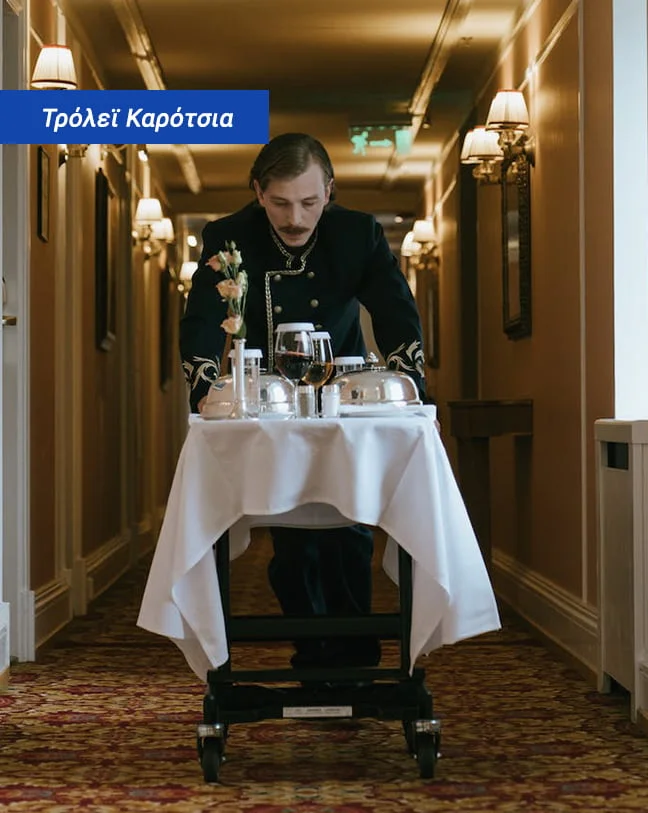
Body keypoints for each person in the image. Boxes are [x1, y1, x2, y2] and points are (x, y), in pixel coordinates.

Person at [180, 132, 428, 671]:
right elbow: (202, 320)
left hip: (342, 401)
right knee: (291, 536)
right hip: (270, 406)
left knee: (350, 529)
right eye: (280, 203)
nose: (296, 218)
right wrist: (206, 391)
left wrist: (409, 383)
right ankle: (313, 646)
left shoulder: (358, 233)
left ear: (329, 191)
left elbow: (394, 309)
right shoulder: (228, 236)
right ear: (257, 192)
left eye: (310, 203)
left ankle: (355, 654)